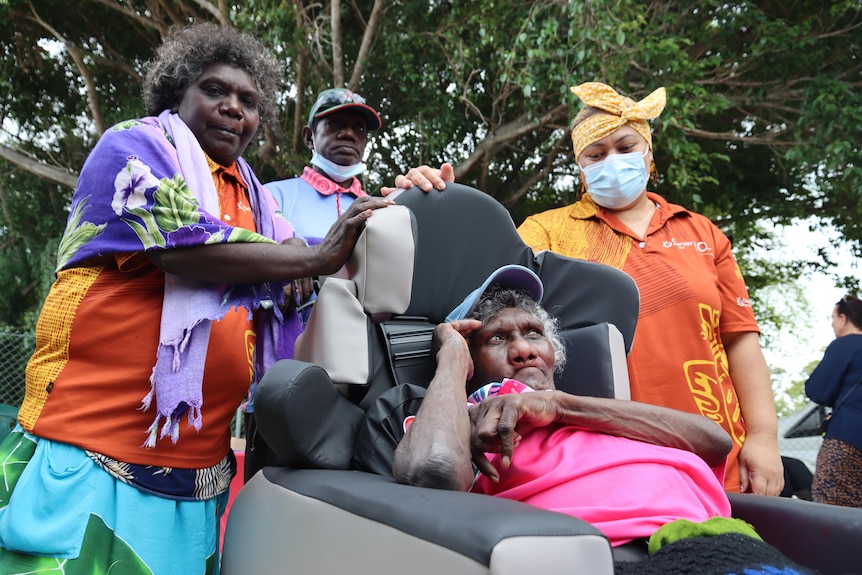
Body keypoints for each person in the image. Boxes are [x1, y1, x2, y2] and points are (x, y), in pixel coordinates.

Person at [0, 22, 390, 575]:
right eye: (215, 90)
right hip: (88, 452)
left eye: (249, 101)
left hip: (197, 478)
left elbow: (310, 271)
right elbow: (184, 244)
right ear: (176, 93)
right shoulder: (132, 147)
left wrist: (402, 206)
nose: (233, 107)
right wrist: (314, 257)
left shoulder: (257, 198)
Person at [387, 82, 783, 495]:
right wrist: (426, 202)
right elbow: (483, 293)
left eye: (626, 146)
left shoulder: (702, 232)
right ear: (580, 167)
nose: (612, 160)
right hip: (610, 438)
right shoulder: (547, 230)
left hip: (709, 435)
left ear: (649, 153)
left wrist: (764, 438)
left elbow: (740, 341)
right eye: (596, 154)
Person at [391, 265, 810, 573]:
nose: (523, 350)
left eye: (533, 333)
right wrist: (450, 359)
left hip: (723, 541)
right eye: (497, 338)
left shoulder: (604, 411)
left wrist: (562, 406)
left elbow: (716, 442)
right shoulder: (457, 417)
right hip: (613, 555)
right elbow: (434, 469)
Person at [805, 294, 862, 507]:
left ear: (844, 318)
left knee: (832, 501)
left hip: (848, 439)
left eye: (833, 317)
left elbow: (817, 390)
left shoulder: (845, 345)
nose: (832, 323)